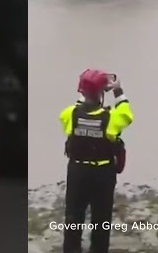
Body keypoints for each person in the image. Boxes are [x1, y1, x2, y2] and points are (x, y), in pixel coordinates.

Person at [60, 68, 133, 253]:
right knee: (101, 220)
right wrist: (118, 91)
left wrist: (90, 92)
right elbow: (127, 115)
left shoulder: (70, 113)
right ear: (102, 93)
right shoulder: (111, 118)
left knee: (73, 217)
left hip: (77, 171)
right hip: (102, 173)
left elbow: (70, 116)